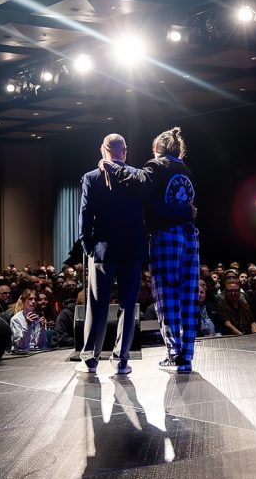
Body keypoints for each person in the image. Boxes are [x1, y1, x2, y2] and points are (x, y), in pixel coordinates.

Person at [103, 127, 199, 373]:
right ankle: (186, 355)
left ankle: (174, 354)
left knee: (166, 295)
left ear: (158, 149)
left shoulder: (157, 166)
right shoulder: (185, 170)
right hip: (190, 236)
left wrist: (113, 166)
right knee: (188, 296)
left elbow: (138, 180)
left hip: (166, 236)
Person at [75, 133, 147, 376]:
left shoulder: (92, 178)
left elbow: (85, 214)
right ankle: (121, 360)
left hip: (103, 250)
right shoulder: (137, 175)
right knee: (128, 306)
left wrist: (87, 247)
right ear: (125, 151)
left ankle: (90, 359)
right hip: (132, 249)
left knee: (97, 305)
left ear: (102, 150)